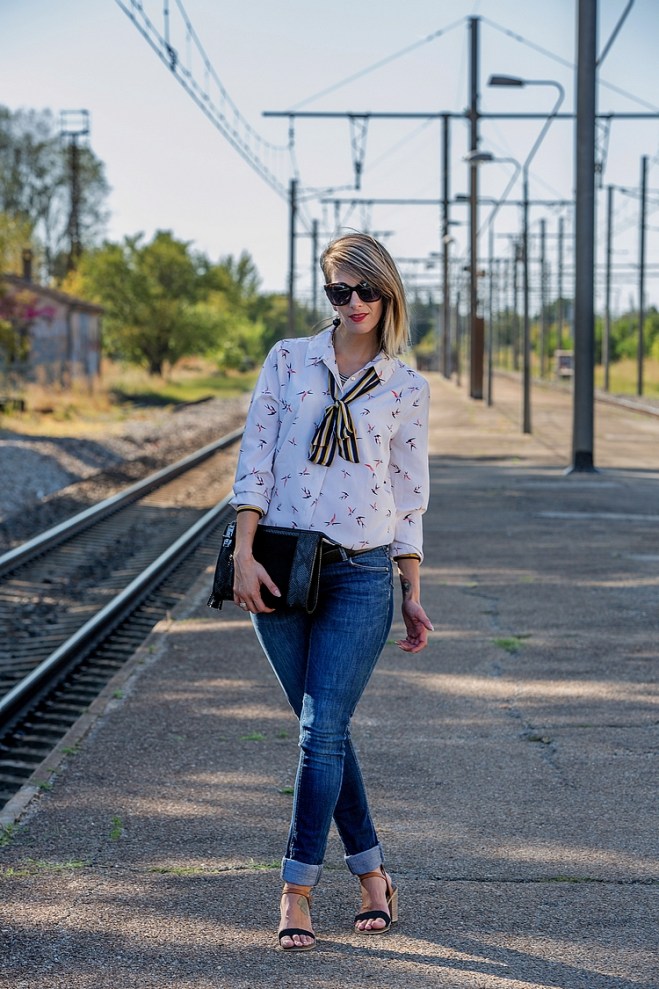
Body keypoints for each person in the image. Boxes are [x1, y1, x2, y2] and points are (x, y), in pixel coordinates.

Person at [229, 232, 432, 951]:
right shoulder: (288, 360)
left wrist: (410, 588)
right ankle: (374, 875)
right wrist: (242, 555)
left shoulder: (407, 388)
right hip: (280, 564)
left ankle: (296, 889)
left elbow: (408, 495)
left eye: (366, 289)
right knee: (326, 732)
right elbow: (254, 460)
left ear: (388, 293)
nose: (354, 303)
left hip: (362, 572)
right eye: (339, 291)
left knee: (319, 732)